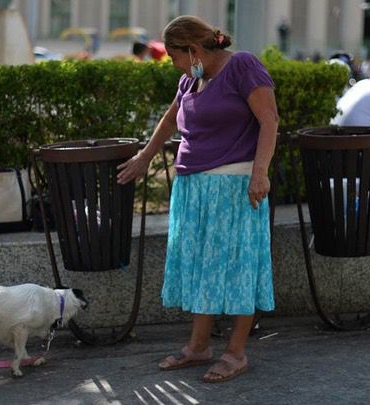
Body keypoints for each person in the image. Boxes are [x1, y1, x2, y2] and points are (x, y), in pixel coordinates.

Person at [117, 15, 278, 383]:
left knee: (239, 267)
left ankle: (235, 353)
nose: (172, 63)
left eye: (174, 56)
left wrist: (260, 173)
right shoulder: (191, 78)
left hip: (234, 187)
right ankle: (198, 347)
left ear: (192, 49)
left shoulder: (243, 66)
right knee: (201, 267)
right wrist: (144, 157)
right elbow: (171, 119)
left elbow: (269, 121)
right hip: (194, 188)